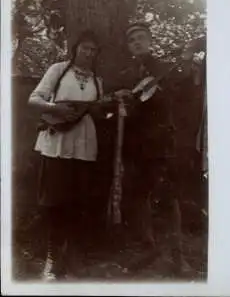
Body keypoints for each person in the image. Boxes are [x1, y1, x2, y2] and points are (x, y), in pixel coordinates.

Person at [28, 30, 110, 281]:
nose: (88, 53)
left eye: (93, 50)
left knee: (77, 202)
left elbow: (97, 114)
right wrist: (56, 108)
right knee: (55, 202)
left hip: (84, 147)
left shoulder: (98, 81)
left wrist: (110, 107)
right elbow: (33, 99)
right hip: (58, 143)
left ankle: (72, 256)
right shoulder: (59, 70)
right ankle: (52, 259)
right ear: (75, 49)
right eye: (84, 47)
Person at [112, 22, 191, 277]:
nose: (136, 42)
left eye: (141, 37)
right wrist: (121, 96)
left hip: (161, 144)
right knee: (139, 196)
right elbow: (118, 103)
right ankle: (148, 248)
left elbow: (179, 98)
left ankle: (178, 256)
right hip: (135, 145)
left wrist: (160, 91)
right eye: (132, 39)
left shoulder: (166, 69)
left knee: (169, 197)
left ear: (150, 40)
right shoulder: (125, 73)